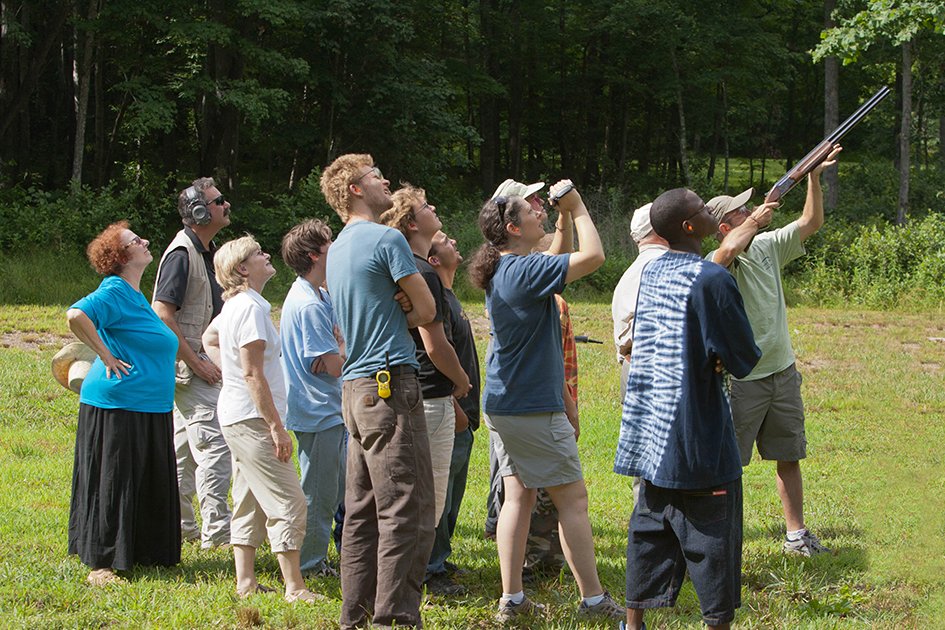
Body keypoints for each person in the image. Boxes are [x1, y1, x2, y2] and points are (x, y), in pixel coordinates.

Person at [469, 183, 624, 622]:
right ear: (514, 227)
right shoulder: (521, 270)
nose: (540, 210)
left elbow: (558, 255)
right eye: (531, 209)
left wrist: (562, 221)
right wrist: (577, 207)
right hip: (530, 409)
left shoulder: (510, 266)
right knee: (572, 500)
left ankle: (512, 601)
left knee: (518, 495)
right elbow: (594, 259)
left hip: (508, 404)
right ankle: (593, 601)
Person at [615, 188, 762, 630]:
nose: (708, 211)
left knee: (648, 535)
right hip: (698, 440)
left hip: (652, 439)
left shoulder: (654, 274)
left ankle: (632, 625)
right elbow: (742, 357)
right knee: (714, 547)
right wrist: (715, 353)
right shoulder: (712, 279)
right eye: (701, 208)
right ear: (688, 226)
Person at [707, 144, 841, 557]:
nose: (748, 213)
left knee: (788, 456)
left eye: (749, 210)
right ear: (723, 226)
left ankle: (796, 535)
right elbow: (725, 254)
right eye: (739, 213)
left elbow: (811, 222)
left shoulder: (766, 245)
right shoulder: (716, 261)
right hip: (742, 378)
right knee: (727, 466)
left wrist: (812, 179)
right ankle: (719, 538)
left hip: (782, 370)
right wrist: (758, 218)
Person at [320, 154, 437, 629]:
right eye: (375, 177)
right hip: (390, 386)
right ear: (352, 189)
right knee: (407, 509)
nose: (385, 180)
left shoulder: (338, 250)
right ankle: (394, 620)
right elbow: (427, 310)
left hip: (355, 390)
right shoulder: (387, 239)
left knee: (363, 513)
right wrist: (404, 311)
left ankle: (356, 618)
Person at [202, 235, 318, 603]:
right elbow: (253, 374)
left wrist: (228, 373)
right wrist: (275, 427)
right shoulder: (250, 308)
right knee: (289, 500)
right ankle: (295, 587)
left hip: (236, 414)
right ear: (242, 269)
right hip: (253, 419)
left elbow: (210, 338)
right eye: (258, 254)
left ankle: (246, 581)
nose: (267, 255)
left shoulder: (236, 305)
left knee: (250, 496)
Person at [66, 221, 180, 585]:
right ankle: (101, 565)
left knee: (143, 478)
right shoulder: (114, 289)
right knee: (115, 480)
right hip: (118, 402)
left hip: (149, 405)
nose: (145, 241)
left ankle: (142, 551)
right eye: (136, 240)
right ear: (121, 256)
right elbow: (76, 314)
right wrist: (105, 354)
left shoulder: (134, 295)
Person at [381, 185, 473, 595]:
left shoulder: (413, 269)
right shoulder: (424, 273)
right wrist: (461, 384)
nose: (435, 208)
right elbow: (436, 344)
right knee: (428, 499)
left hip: (419, 394)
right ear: (413, 223)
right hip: (432, 395)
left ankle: (413, 577)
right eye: (425, 206)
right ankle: (414, 581)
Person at [152, 177, 232, 548]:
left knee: (183, 450)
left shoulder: (203, 251)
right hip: (191, 370)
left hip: (192, 367)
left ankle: (181, 526)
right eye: (218, 202)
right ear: (199, 212)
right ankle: (218, 535)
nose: (225, 206)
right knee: (215, 447)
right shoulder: (182, 255)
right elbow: (163, 314)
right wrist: (196, 363)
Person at [279, 219, 346, 577]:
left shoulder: (320, 294)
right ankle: (309, 564)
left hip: (327, 411)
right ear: (314, 255)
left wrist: (336, 349)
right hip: (318, 413)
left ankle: (314, 558)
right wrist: (338, 348)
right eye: (330, 242)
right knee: (319, 496)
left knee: (332, 491)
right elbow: (334, 365)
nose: (336, 246)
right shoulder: (309, 304)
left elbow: (334, 356)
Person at [424, 230, 481, 591]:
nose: (454, 240)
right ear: (433, 260)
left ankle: (440, 558)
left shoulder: (450, 295)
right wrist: (456, 407)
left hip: (464, 415)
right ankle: (431, 569)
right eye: (445, 240)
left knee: (452, 495)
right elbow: (436, 355)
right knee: (438, 496)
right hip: (452, 412)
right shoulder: (437, 297)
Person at [611, 202, 669, 401]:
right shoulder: (667, 265)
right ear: (661, 228)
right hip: (657, 375)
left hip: (632, 368)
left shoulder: (630, 273)